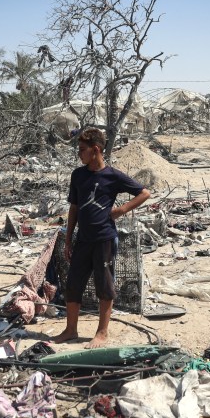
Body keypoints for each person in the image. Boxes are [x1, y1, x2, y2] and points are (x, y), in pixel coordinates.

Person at [52, 128, 150, 348]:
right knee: (73, 284)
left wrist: (122, 209)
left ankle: (102, 332)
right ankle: (70, 330)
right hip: (83, 239)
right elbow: (74, 208)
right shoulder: (78, 175)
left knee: (104, 285)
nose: (79, 154)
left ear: (96, 150)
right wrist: (68, 239)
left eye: (83, 150)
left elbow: (144, 193)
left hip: (104, 239)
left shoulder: (112, 176)